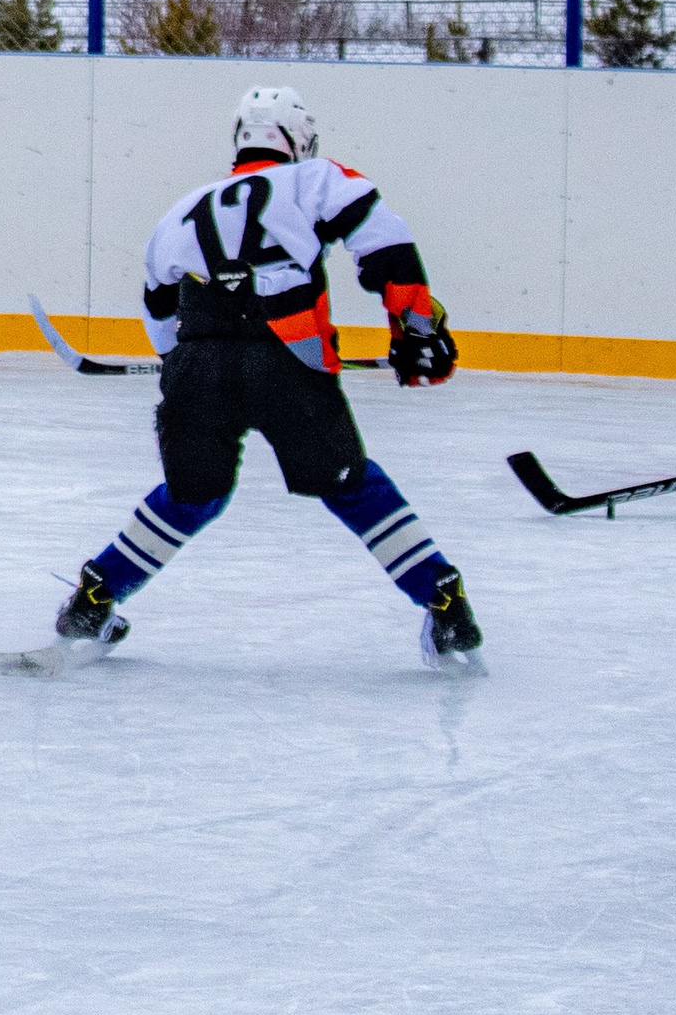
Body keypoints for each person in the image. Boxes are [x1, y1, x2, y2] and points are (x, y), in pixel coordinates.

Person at [48, 85, 485, 670]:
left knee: (191, 496)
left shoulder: (177, 211)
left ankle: (93, 599)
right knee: (351, 485)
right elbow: (385, 244)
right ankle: (445, 603)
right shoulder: (316, 178)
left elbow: (160, 318)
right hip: (289, 366)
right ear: (299, 138)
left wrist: (185, 370)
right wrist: (415, 329)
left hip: (197, 369)